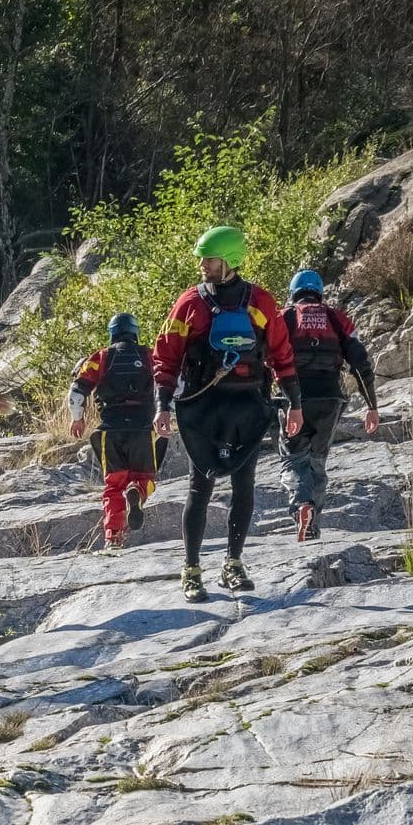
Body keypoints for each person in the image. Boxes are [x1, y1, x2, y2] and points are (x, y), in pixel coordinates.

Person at [152, 226, 304, 603]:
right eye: (203, 259)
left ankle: (233, 563)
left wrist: (295, 404)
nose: (203, 265)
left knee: (244, 486)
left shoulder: (262, 303)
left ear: (230, 262)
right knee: (198, 487)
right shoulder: (189, 303)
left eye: (210, 259)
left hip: (248, 406)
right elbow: (166, 358)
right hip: (204, 408)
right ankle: (191, 571)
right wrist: (161, 406)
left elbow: (282, 356)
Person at [279, 269, 380, 541]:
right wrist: (372, 405)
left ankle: (302, 506)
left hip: (294, 398)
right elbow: (361, 363)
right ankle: (312, 525)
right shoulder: (337, 318)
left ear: (293, 293)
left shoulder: (285, 318)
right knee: (318, 460)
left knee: (293, 458)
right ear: (320, 292)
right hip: (331, 398)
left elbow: (266, 358)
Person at [69, 312, 164, 549]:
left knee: (113, 486)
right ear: (135, 332)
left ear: (112, 333)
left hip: (110, 430)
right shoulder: (150, 355)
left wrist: (77, 420)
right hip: (143, 429)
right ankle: (138, 491)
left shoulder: (101, 357)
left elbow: (77, 392)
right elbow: (173, 382)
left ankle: (113, 537)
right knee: (146, 479)